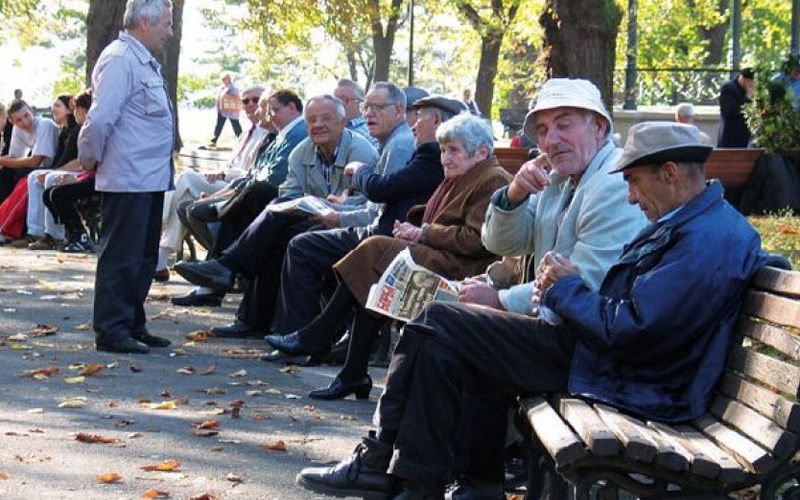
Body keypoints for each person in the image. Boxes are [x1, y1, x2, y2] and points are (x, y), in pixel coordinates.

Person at [296, 120, 788, 500]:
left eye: (635, 183)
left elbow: (632, 332)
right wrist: (559, 287)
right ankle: (438, 482)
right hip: (617, 361)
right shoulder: (696, 223)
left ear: (672, 174)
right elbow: (637, 314)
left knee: (441, 321)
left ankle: (387, 463)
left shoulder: (704, 238)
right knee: (448, 342)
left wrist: (563, 289)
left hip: (630, 377)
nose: (632, 197)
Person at [266, 112, 511, 404]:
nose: (445, 158)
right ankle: (351, 372)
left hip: (465, 271)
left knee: (374, 250)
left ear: (481, 151)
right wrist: (415, 229)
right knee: (374, 278)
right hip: (440, 257)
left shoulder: (492, 179)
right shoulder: (465, 174)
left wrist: (423, 233)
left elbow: (477, 240)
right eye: (443, 150)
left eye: (453, 150)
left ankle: (320, 336)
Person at [264, 95, 465, 363]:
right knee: (302, 236)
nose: (413, 125)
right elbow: (392, 200)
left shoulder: (421, 151)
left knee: (308, 246)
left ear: (437, 120)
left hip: (405, 244)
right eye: (366, 107)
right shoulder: (422, 151)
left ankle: (310, 339)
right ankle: (334, 352)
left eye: (418, 118)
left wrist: (359, 172)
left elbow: (382, 190)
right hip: (397, 235)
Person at [173, 94, 381, 337]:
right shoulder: (300, 153)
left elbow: (368, 204)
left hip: (347, 224)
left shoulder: (361, 153)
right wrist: (315, 205)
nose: (317, 125)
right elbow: (289, 194)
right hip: (313, 219)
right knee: (275, 227)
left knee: (273, 225)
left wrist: (329, 206)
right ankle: (250, 314)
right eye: (312, 120)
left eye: (326, 118)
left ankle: (233, 276)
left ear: (342, 122)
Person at [78, 0, 175, 354]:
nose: (169, 31)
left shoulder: (143, 60)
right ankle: (111, 330)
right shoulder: (120, 58)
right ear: (145, 22)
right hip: (127, 177)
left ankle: (132, 322)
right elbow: (100, 119)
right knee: (122, 257)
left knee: (144, 257)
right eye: (166, 23)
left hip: (149, 177)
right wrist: (89, 160)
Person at [171, 89, 307, 306]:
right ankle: (217, 277)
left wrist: (225, 200)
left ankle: (215, 280)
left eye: (274, 110)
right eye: (268, 111)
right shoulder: (282, 135)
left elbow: (274, 177)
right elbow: (257, 173)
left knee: (250, 196)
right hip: (267, 200)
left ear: (292, 107)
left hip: (287, 203)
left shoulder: (298, 133)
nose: (269, 115)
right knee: (230, 206)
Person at [156, 83, 269, 282]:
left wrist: (224, 173)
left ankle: (158, 221)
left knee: (187, 178)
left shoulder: (268, 132)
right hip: (224, 183)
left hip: (238, 189)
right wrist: (221, 172)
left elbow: (253, 174)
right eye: (245, 101)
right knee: (187, 198)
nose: (251, 104)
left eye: (256, 100)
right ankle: (160, 261)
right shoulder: (245, 133)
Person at [23, 94, 83, 250]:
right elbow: (60, 160)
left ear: (69, 110)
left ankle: (55, 235)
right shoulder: (65, 132)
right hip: (67, 170)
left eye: (58, 106)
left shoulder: (78, 130)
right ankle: (36, 232)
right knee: (33, 176)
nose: (53, 109)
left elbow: (79, 161)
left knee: (50, 178)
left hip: (81, 172)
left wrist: (53, 172)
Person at [42, 89, 97, 253]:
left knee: (58, 194)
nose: (73, 114)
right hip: (91, 175)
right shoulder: (84, 130)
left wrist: (78, 178)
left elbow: (91, 162)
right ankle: (72, 233)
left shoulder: (92, 130)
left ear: (82, 110)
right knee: (49, 194)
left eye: (75, 110)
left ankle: (82, 237)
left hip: (101, 179)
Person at [0, 100, 59, 207]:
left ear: (31, 110)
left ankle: (17, 212)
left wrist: (2, 161)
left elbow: (34, 162)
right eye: (18, 120)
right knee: (5, 173)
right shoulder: (17, 129)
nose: (25, 122)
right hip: (40, 167)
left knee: (22, 173)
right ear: (12, 122)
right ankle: (5, 211)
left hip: (57, 166)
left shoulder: (45, 124)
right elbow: (14, 157)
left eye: (26, 115)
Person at [334, 78, 379, 148]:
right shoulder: (328, 129)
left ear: (360, 103)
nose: (337, 104)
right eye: (334, 100)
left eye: (343, 99)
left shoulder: (370, 133)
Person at [717, 67, 754, 147]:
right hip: (731, 135)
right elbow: (730, 111)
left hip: (746, 136)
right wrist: (747, 98)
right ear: (744, 79)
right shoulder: (728, 88)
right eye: (750, 82)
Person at [209, 72, 242, 147]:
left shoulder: (233, 88)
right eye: (222, 79)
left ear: (229, 79)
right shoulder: (222, 88)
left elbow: (236, 98)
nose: (223, 80)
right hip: (222, 110)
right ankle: (214, 140)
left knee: (236, 125)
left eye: (225, 79)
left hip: (231, 110)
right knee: (219, 125)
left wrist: (227, 95)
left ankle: (241, 140)